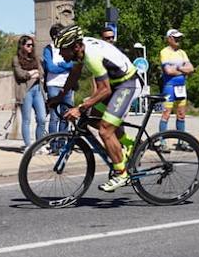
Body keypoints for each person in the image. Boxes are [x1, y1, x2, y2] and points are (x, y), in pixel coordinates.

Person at [51, 24, 141, 191]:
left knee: (105, 130)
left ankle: (122, 173)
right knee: (92, 118)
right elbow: (75, 74)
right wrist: (60, 96)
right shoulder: (81, 49)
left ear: (75, 47)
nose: (61, 54)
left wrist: (80, 108)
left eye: (63, 50)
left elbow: (104, 89)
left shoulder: (91, 56)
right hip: (115, 86)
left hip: (128, 84)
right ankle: (129, 143)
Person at [158, 29, 194, 135]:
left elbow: (191, 68)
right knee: (166, 113)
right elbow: (168, 71)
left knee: (181, 114)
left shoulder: (182, 53)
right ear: (169, 39)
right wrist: (183, 70)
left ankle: (181, 141)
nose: (178, 40)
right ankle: (162, 141)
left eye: (179, 38)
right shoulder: (164, 52)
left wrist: (177, 68)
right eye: (176, 38)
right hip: (169, 86)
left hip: (181, 87)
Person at [12, 35, 46, 144]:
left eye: (32, 45)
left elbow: (41, 72)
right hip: (25, 91)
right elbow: (20, 74)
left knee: (42, 119)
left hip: (37, 90)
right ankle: (28, 145)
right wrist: (31, 73)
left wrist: (34, 73)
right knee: (26, 120)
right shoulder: (16, 59)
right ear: (22, 46)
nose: (30, 47)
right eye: (28, 45)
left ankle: (39, 144)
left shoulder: (35, 58)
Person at [42, 23, 75, 136]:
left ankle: (62, 141)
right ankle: (53, 144)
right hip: (53, 85)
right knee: (54, 117)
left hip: (67, 84)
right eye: (57, 35)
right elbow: (50, 67)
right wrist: (64, 66)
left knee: (65, 115)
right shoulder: (48, 49)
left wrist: (63, 66)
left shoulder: (68, 47)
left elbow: (72, 65)